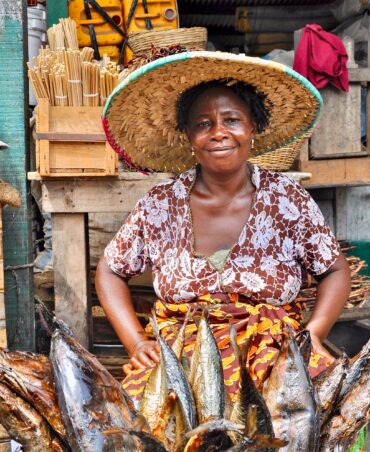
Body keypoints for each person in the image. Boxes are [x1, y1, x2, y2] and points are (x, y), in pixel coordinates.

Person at [97, 51, 350, 397]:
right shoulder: (160, 204)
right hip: (181, 354)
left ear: (253, 127)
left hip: (274, 348)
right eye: (203, 124)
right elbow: (110, 270)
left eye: (231, 120)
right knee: (136, 420)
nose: (218, 133)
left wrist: (314, 334)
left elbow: (334, 270)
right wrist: (136, 342)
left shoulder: (287, 199)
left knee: (329, 408)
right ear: (188, 135)